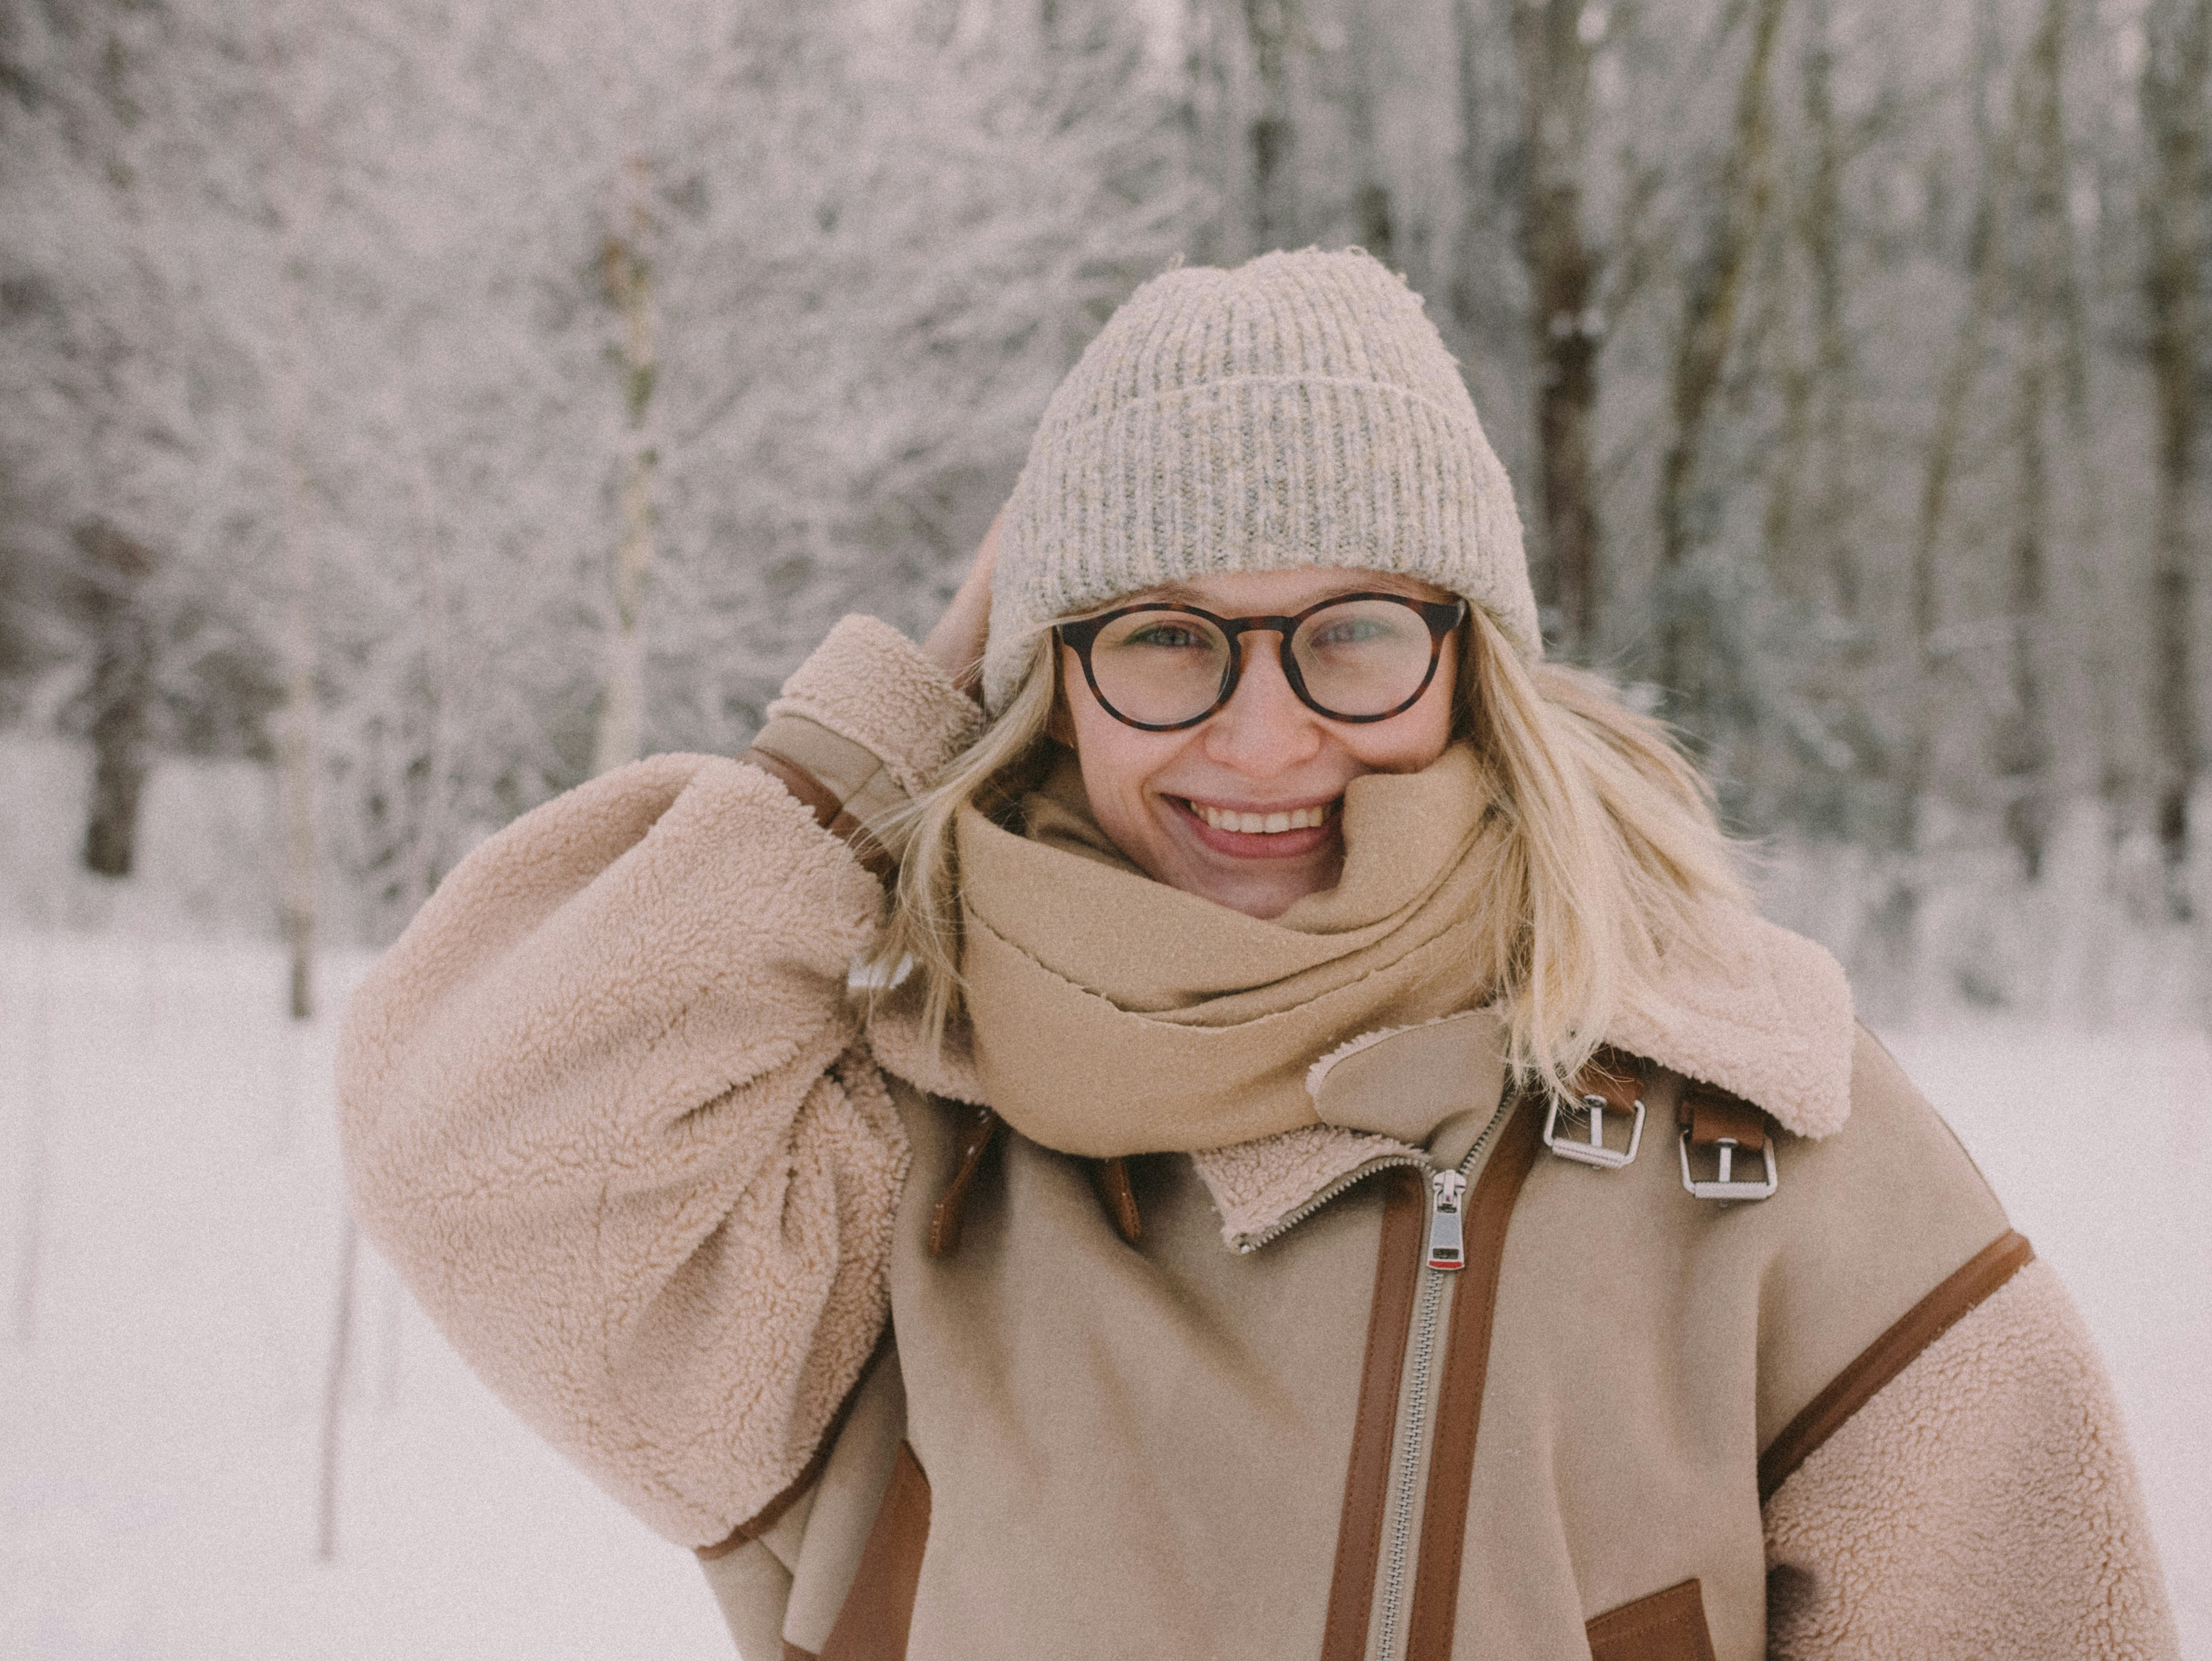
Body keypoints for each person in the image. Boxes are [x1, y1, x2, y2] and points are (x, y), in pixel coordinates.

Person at [338, 249, 2178, 1661]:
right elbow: (483, 1154)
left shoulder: (1767, 1151)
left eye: (1351, 635)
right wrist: (874, 759)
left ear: (1472, 661)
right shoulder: (890, 1160)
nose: (1262, 739)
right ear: (1047, 678)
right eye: (1163, 640)